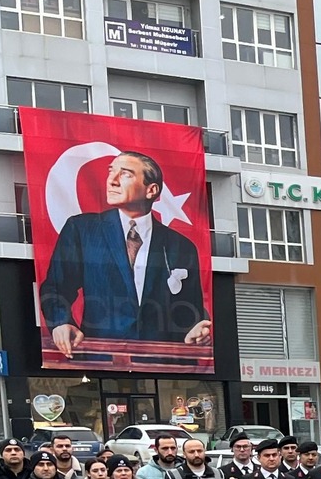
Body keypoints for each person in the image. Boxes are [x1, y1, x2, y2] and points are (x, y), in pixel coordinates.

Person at [38, 151, 211, 355]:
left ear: (151, 190)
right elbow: (57, 287)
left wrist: (197, 329)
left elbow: (189, 308)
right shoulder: (82, 229)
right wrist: (61, 323)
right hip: (100, 359)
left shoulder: (181, 245)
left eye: (126, 174)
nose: (112, 181)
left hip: (163, 363)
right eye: (111, 172)